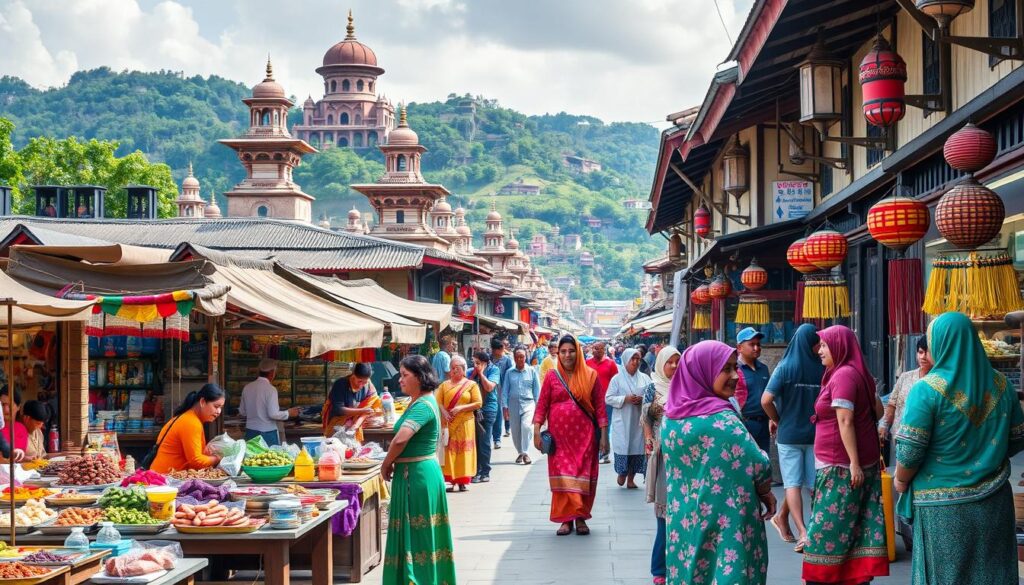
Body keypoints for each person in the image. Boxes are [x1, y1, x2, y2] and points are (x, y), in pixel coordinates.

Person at [894, 312, 1024, 585]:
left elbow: (909, 453)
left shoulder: (925, 390)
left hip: (944, 510)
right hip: (995, 504)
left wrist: (900, 481)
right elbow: (1016, 440)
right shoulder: (1003, 385)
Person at [663, 341, 776, 584]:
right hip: (726, 522)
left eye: (735, 367)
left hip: (685, 521)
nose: (735, 376)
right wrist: (766, 491)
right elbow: (759, 463)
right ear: (704, 370)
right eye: (726, 369)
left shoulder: (670, 418)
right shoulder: (722, 421)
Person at [802, 325, 888, 584]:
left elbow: (845, 421)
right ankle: (853, 577)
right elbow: (879, 412)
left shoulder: (843, 376)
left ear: (839, 347)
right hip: (847, 464)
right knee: (855, 527)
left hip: (841, 467)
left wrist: (854, 463)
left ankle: (825, 577)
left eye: (825, 345)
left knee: (829, 529)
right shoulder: (855, 372)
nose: (820, 350)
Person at [381, 355, 456, 584]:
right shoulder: (421, 401)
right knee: (421, 534)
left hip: (417, 475)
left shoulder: (422, 405)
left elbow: (401, 439)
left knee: (419, 536)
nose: (400, 380)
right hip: (417, 472)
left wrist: (386, 464)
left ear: (420, 377)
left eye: (405, 375)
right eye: (400, 375)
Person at [533, 335, 609, 536]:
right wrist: (536, 430)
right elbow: (542, 404)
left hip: (585, 437)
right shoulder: (551, 376)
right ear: (558, 354)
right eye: (563, 351)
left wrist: (604, 436)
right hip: (559, 440)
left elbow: (600, 408)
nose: (567, 355)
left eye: (571, 351)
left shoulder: (591, 376)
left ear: (578, 352)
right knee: (564, 479)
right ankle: (566, 520)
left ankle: (581, 517)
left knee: (583, 474)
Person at [761, 323, 824, 551]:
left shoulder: (785, 367)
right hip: (815, 435)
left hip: (788, 435)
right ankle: (814, 529)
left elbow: (766, 400)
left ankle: (803, 532)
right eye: (816, 342)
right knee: (813, 484)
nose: (819, 347)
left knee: (792, 484)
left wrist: (777, 419)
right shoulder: (822, 368)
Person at [641, 346, 680, 585]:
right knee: (664, 517)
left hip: (684, 457)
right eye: (670, 362)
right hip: (663, 456)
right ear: (660, 364)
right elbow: (646, 419)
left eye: (678, 362)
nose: (674, 367)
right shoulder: (652, 389)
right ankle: (660, 570)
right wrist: (649, 439)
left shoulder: (687, 386)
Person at [149, 384, 225, 473]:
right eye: (216, 406)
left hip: (164, 475)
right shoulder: (192, 422)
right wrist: (217, 458)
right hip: (166, 478)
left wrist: (207, 454)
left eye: (221, 408)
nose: (219, 412)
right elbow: (196, 461)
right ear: (202, 402)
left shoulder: (188, 418)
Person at [605, 348, 650, 488]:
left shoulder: (645, 378)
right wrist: (625, 399)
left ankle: (631, 479)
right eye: (633, 359)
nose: (636, 362)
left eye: (638, 359)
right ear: (625, 360)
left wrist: (642, 399)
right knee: (624, 447)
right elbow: (608, 398)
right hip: (622, 421)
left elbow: (652, 396)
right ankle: (622, 473)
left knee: (636, 449)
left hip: (638, 420)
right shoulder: (616, 379)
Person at [438, 355, 482, 492]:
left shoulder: (471, 385)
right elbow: (437, 401)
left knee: (463, 451)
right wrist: (444, 412)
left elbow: (478, 403)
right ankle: (451, 481)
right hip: (449, 422)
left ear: (463, 370)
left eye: (457, 368)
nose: (454, 371)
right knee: (450, 451)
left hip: (465, 422)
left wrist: (461, 408)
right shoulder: (444, 385)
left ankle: (463, 481)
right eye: (452, 368)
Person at [879, 336, 932, 441]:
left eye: (928, 353)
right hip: (900, 437)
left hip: (927, 440)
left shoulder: (939, 381)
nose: (923, 357)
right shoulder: (905, 377)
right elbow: (892, 404)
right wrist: (884, 425)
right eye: (920, 352)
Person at [238, 358, 298, 446]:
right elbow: (273, 414)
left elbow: (242, 412)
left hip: (250, 431)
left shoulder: (247, 387)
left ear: (259, 371)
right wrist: (288, 413)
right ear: (272, 373)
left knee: (252, 458)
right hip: (267, 433)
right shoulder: (271, 390)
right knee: (269, 458)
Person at [501, 346, 541, 464]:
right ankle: (520, 452)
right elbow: (504, 391)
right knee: (515, 431)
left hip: (528, 404)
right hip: (513, 404)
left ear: (525, 357)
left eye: (522, 357)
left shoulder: (532, 371)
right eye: (517, 357)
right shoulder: (509, 372)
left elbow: (537, 392)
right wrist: (505, 407)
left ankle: (526, 452)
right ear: (514, 358)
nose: (520, 359)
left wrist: (538, 408)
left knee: (526, 427)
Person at [735, 327, 772, 452]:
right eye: (752, 344)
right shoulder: (734, 370)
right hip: (744, 424)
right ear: (739, 348)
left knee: (764, 461)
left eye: (758, 344)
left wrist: (772, 418)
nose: (756, 348)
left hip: (763, 424)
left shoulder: (764, 369)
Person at [322, 363, 378, 442]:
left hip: (356, 426)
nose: (361, 385)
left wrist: (355, 426)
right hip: (337, 426)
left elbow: (370, 407)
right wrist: (362, 410)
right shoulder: (340, 384)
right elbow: (339, 409)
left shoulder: (368, 386)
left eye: (364, 382)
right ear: (353, 376)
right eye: (359, 381)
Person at [469, 351, 500, 483]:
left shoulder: (494, 370)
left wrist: (481, 374)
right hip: (473, 409)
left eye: (478, 363)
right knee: (474, 441)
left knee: (484, 441)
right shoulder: (470, 372)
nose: (475, 365)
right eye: (474, 362)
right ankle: (475, 470)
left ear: (485, 363)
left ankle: (485, 471)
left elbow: (489, 387)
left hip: (488, 409)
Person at [586, 341, 619, 464]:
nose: (597, 350)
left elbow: (616, 382)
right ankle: (597, 452)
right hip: (591, 400)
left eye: (599, 348)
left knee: (606, 426)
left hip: (607, 401)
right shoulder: (587, 363)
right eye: (595, 348)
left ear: (604, 350)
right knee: (594, 426)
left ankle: (604, 453)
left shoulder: (611, 364)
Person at [490, 338, 514, 448]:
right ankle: (491, 438)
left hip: (502, 390)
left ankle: (497, 438)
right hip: (490, 390)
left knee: (500, 414)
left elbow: (510, 375)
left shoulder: (507, 360)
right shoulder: (489, 359)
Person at [0, 387, 23, 462]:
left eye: (9, 405)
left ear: (19, 407)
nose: (5, 409)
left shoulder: (21, 429)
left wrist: (14, 452)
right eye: (2, 405)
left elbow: (5, 448)